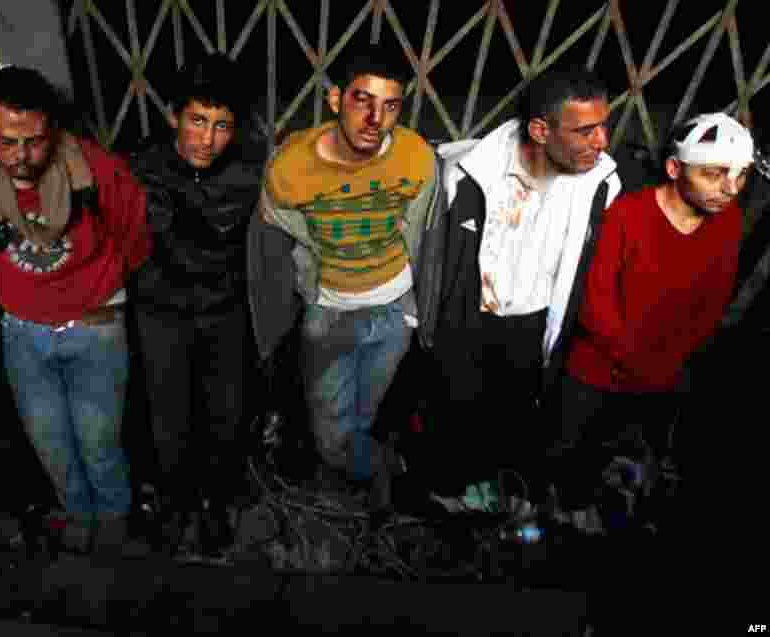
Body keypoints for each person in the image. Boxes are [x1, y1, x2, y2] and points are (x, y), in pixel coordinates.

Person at [0, 66, 151, 553]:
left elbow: (135, 235)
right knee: (53, 448)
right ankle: (79, 525)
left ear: (55, 129)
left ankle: (115, 529)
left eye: (35, 142)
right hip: (24, 334)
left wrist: (93, 291)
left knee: (100, 445)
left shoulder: (97, 170)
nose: (21, 157)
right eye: (7, 142)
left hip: (94, 330)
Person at [249, 46, 446, 508]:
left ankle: (354, 486)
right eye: (363, 100)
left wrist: (418, 311)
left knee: (365, 413)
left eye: (391, 105)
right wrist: (285, 315)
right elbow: (273, 241)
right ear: (336, 99)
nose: (376, 118)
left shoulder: (415, 157)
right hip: (330, 314)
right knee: (330, 428)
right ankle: (376, 473)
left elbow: (425, 235)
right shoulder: (291, 166)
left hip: (395, 311)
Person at [423, 67, 621, 502]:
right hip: (470, 316)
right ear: (540, 130)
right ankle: (443, 491)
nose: (602, 141)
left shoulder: (599, 183)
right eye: (585, 130)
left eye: (603, 125)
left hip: (533, 321)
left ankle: (493, 488)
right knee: (454, 408)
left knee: (511, 415)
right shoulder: (469, 176)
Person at [552, 112, 753, 522]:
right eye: (713, 173)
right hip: (598, 371)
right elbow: (596, 303)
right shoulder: (628, 215)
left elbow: (713, 300)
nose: (730, 189)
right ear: (674, 168)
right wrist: (640, 362)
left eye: (741, 175)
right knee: (572, 461)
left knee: (634, 465)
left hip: (665, 374)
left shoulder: (727, 220)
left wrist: (674, 362)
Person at [127, 54, 262, 555]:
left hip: (223, 313)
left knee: (225, 416)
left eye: (221, 125)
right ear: (174, 117)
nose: (207, 139)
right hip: (161, 314)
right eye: (197, 121)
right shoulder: (142, 168)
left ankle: (214, 503)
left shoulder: (247, 174)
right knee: (168, 420)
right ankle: (176, 502)